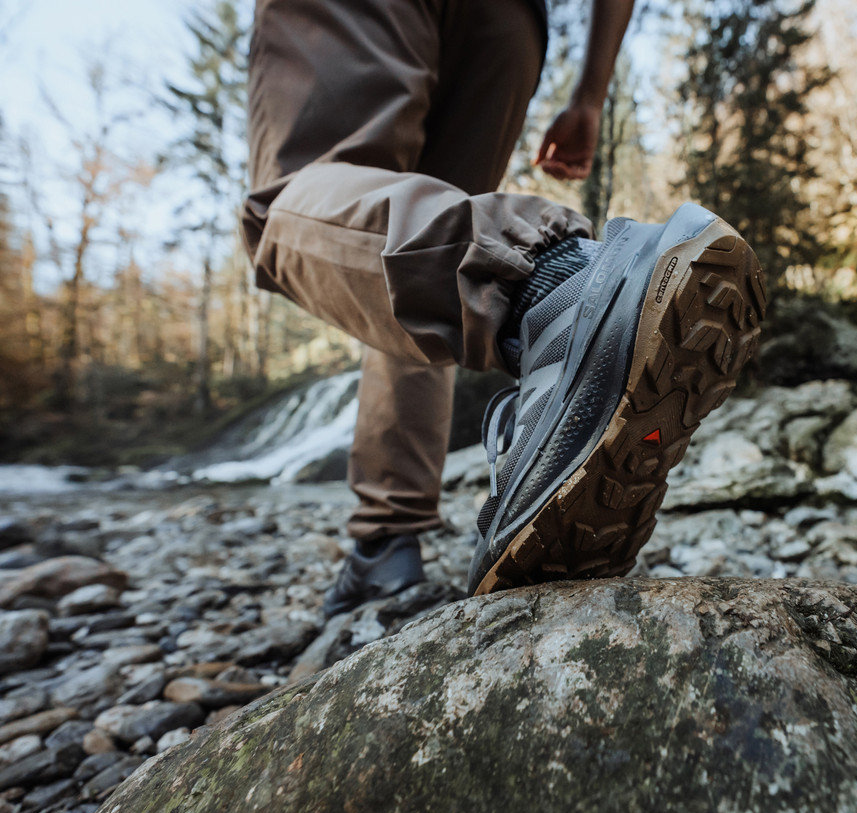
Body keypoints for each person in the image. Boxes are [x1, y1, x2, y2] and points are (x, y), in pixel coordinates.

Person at [240, 0, 764, 613]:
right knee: (418, 272)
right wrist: (589, 95)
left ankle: (556, 286)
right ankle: (386, 543)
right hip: (507, 26)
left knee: (286, 206)